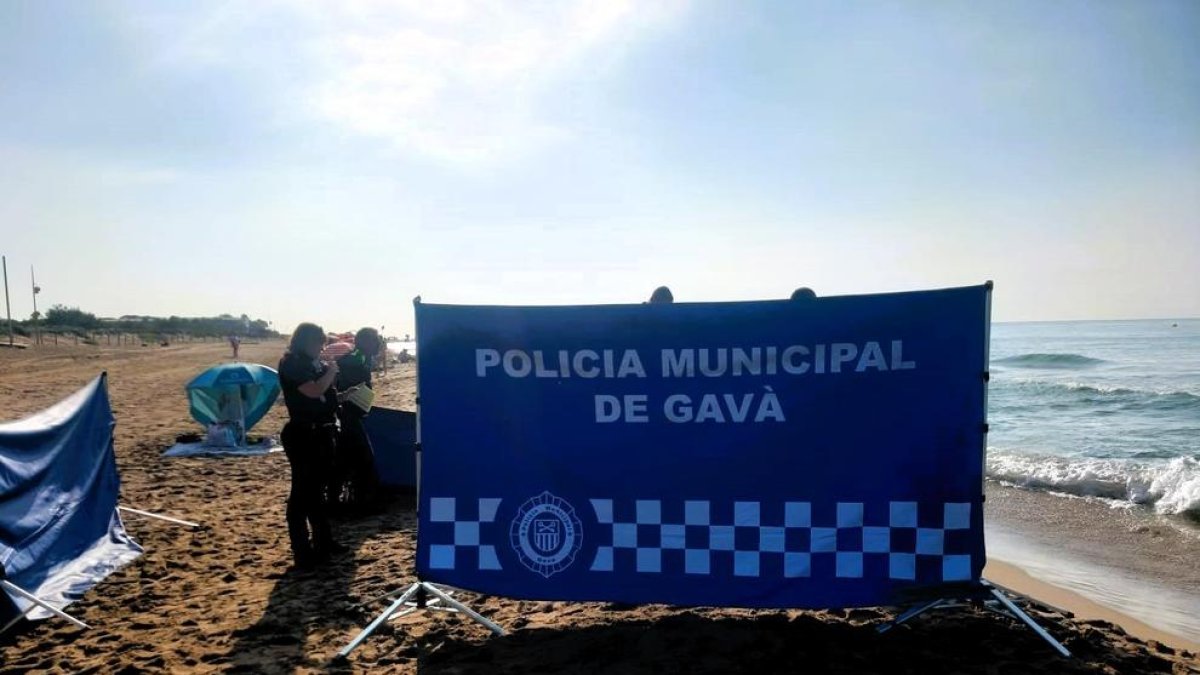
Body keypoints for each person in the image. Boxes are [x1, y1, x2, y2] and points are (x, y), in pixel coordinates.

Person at [278, 323, 346, 569]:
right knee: (301, 493)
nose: (321, 347)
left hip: (322, 431)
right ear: (305, 341)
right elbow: (312, 390)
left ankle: (323, 541)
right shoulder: (292, 363)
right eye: (318, 342)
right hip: (303, 434)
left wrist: (341, 397)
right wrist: (332, 371)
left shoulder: (314, 364)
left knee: (318, 491)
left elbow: (324, 395)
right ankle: (301, 548)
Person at [330, 327, 383, 513]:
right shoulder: (356, 358)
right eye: (375, 340)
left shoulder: (361, 358)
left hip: (353, 413)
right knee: (358, 458)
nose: (378, 344)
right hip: (349, 414)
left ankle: (345, 499)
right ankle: (356, 501)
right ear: (366, 342)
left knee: (348, 459)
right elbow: (351, 383)